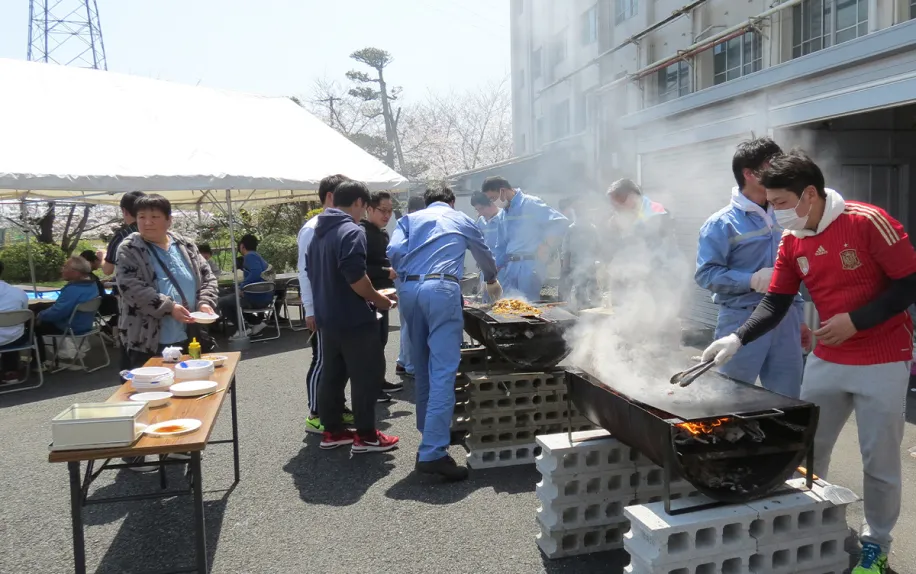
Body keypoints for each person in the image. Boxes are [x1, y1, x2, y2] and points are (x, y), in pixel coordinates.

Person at [701, 151, 916, 574]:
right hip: (826, 358)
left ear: (810, 194)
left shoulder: (866, 221)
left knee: (879, 461)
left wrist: (856, 321)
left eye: (780, 202)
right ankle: (807, 524)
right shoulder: (792, 240)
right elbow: (777, 301)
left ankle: (876, 544)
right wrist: (736, 338)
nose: (775, 212)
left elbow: (909, 282)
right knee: (806, 449)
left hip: (883, 358)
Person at [388, 185, 502, 481]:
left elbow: (394, 252)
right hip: (441, 289)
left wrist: (412, 271)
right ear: (450, 202)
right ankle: (433, 453)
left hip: (409, 290)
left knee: (424, 368)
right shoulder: (459, 218)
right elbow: (483, 252)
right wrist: (491, 279)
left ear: (426, 203)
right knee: (443, 371)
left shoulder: (409, 220)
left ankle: (430, 434)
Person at [695, 138, 810, 398]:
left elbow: (792, 272)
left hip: (785, 316)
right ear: (749, 174)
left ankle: (781, 439)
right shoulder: (721, 224)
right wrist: (751, 280)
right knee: (729, 398)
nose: (782, 171)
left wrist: (800, 318)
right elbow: (705, 274)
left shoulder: (786, 214)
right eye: (774, 165)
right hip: (740, 317)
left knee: (788, 397)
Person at [116, 194, 219, 471]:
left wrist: (206, 302)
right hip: (146, 336)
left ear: (168, 219)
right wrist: (168, 306)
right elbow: (130, 287)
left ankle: (173, 445)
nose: (147, 223)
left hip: (185, 333)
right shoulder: (130, 247)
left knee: (181, 393)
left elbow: (207, 277)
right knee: (142, 396)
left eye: (154, 217)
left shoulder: (185, 244)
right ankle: (135, 454)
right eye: (141, 217)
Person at [307, 180, 399, 454]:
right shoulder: (350, 230)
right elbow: (356, 278)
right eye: (366, 206)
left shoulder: (318, 232)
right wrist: (381, 300)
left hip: (329, 317)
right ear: (359, 202)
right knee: (365, 377)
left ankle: (332, 431)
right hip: (354, 318)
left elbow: (315, 274)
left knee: (333, 376)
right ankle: (367, 436)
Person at [298, 174, 357, 434]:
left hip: (335, 307)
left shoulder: (334, 225)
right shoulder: (313, 227)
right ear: (331, 197)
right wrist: (310, 309)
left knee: (337, 362)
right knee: (322, 360)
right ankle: (315, 412)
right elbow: (305, 271)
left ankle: (335, 407)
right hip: (322, 308)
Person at [481, 176, 567, 301]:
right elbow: (500, 247)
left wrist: (547, 245)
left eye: (493, 198)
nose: (493, 202)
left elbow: (560, 223)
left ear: (503, 191)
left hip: (530, 264)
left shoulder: (531, 204)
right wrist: (491, 277)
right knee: (511, 307)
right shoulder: (502, 215)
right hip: (510, 268)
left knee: (529, 308)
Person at [361, 191, 404, 398]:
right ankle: (371, 388)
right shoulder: (361, 232)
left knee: (381, 340)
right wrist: (386, 272)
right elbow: (359, 268)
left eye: (390, 211)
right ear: (369, 209)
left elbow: (383, 261)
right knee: (370, 344)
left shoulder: (383, 233)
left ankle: (379, 381)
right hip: (367, 296)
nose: (387, 215)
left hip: (384, 295)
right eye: (382, 210)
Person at [100, 190, 145, 373]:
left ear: (125, 211)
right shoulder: (159, 233)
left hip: (129, 295)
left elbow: (108, 269)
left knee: (134, 341)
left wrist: (103, 256)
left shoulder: (122, 235)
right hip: (157, 293)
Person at [35, 257, 99, 366]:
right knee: (40, 308)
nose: (62, 270)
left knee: (32, 326)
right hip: (85, 324)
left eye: (65, 267)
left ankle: (37, 363)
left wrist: (39, 316)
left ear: (76, 272)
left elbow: (58, 313)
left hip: (70, 326)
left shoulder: (73, 289)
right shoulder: (92, 285)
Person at [395, 195, 427, 378]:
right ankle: (410, 365)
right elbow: (396, 252)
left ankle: (403, 361)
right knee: (410, 323)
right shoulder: (410, 224)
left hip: (406, 278)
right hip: (407, 278)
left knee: (407, 323)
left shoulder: (404, 223)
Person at [218, 234, 272, 337]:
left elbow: (256, 273)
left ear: (242, 246)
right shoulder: (257, 256)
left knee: (223, 302)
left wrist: (242, 287)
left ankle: (243, 329)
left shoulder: (249, 256)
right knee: (230, 297)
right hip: (263, 296)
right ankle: (256, 323)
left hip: (255, 297)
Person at [558, 198, 600, 311]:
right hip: (588, 266)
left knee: (577, 291)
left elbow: (566, 251)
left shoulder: (573, 228)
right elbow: (598, 248)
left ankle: (578, 312)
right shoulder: (592, 228)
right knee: (589, 291)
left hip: (576, 267)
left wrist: (565, 269)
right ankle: (590, 311)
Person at [470, 191, 504, 303]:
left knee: (504, 302)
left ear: (491, 203)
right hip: (487, 271)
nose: (480, 212)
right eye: (477, 210)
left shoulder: (504, 217)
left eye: (482, 208)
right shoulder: (481, 221)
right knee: (487, 302)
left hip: (503, 269)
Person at [0, 261, 30, 382]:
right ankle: (11, 372)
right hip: (15, 338)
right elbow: (25, 313)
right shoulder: (18, 293)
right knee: (14, 332)